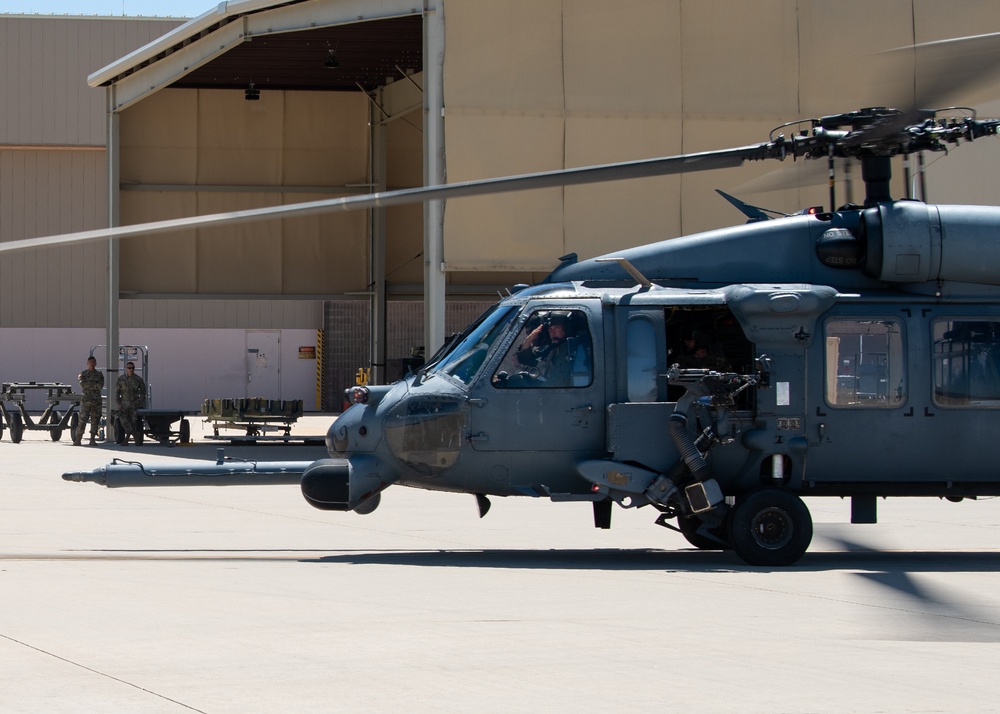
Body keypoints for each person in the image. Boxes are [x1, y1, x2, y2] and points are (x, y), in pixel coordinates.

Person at [515, 311, 575, 387]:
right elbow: (525, 359)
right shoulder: (550, 347)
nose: (552, 332)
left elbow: (558, 380)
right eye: (550, 329)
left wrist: (536, 394)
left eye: (557, 328)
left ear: (566, 329)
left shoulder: (567, 349)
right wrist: (531, 337)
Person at [115, 361, 147, 444]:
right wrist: (119, 402)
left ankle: (126, 440)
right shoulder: (121, 379)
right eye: (129, 368)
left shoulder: (138, 379)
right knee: (123, 419)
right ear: (126, 369)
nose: (131, 370)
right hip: (124, 404)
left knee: (132, 422)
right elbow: (117, 392)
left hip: (134, 404)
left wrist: (140, 400)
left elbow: (143, 391)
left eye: (133, 368)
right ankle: (135, 435)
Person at [76, 356, 104, 445]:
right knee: (82, 420)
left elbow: (100, 386)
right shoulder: (83, 374)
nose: (92, 364)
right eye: (90, 362)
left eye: (93, 362)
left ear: (96, 363)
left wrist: (89, 384)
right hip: (86, 401)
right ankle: (78, 439)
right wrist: (93, 385)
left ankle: (92, 439)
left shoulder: (99, 375)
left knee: (95, 420)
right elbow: (82, 385)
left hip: (96, 402)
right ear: (87, 363)